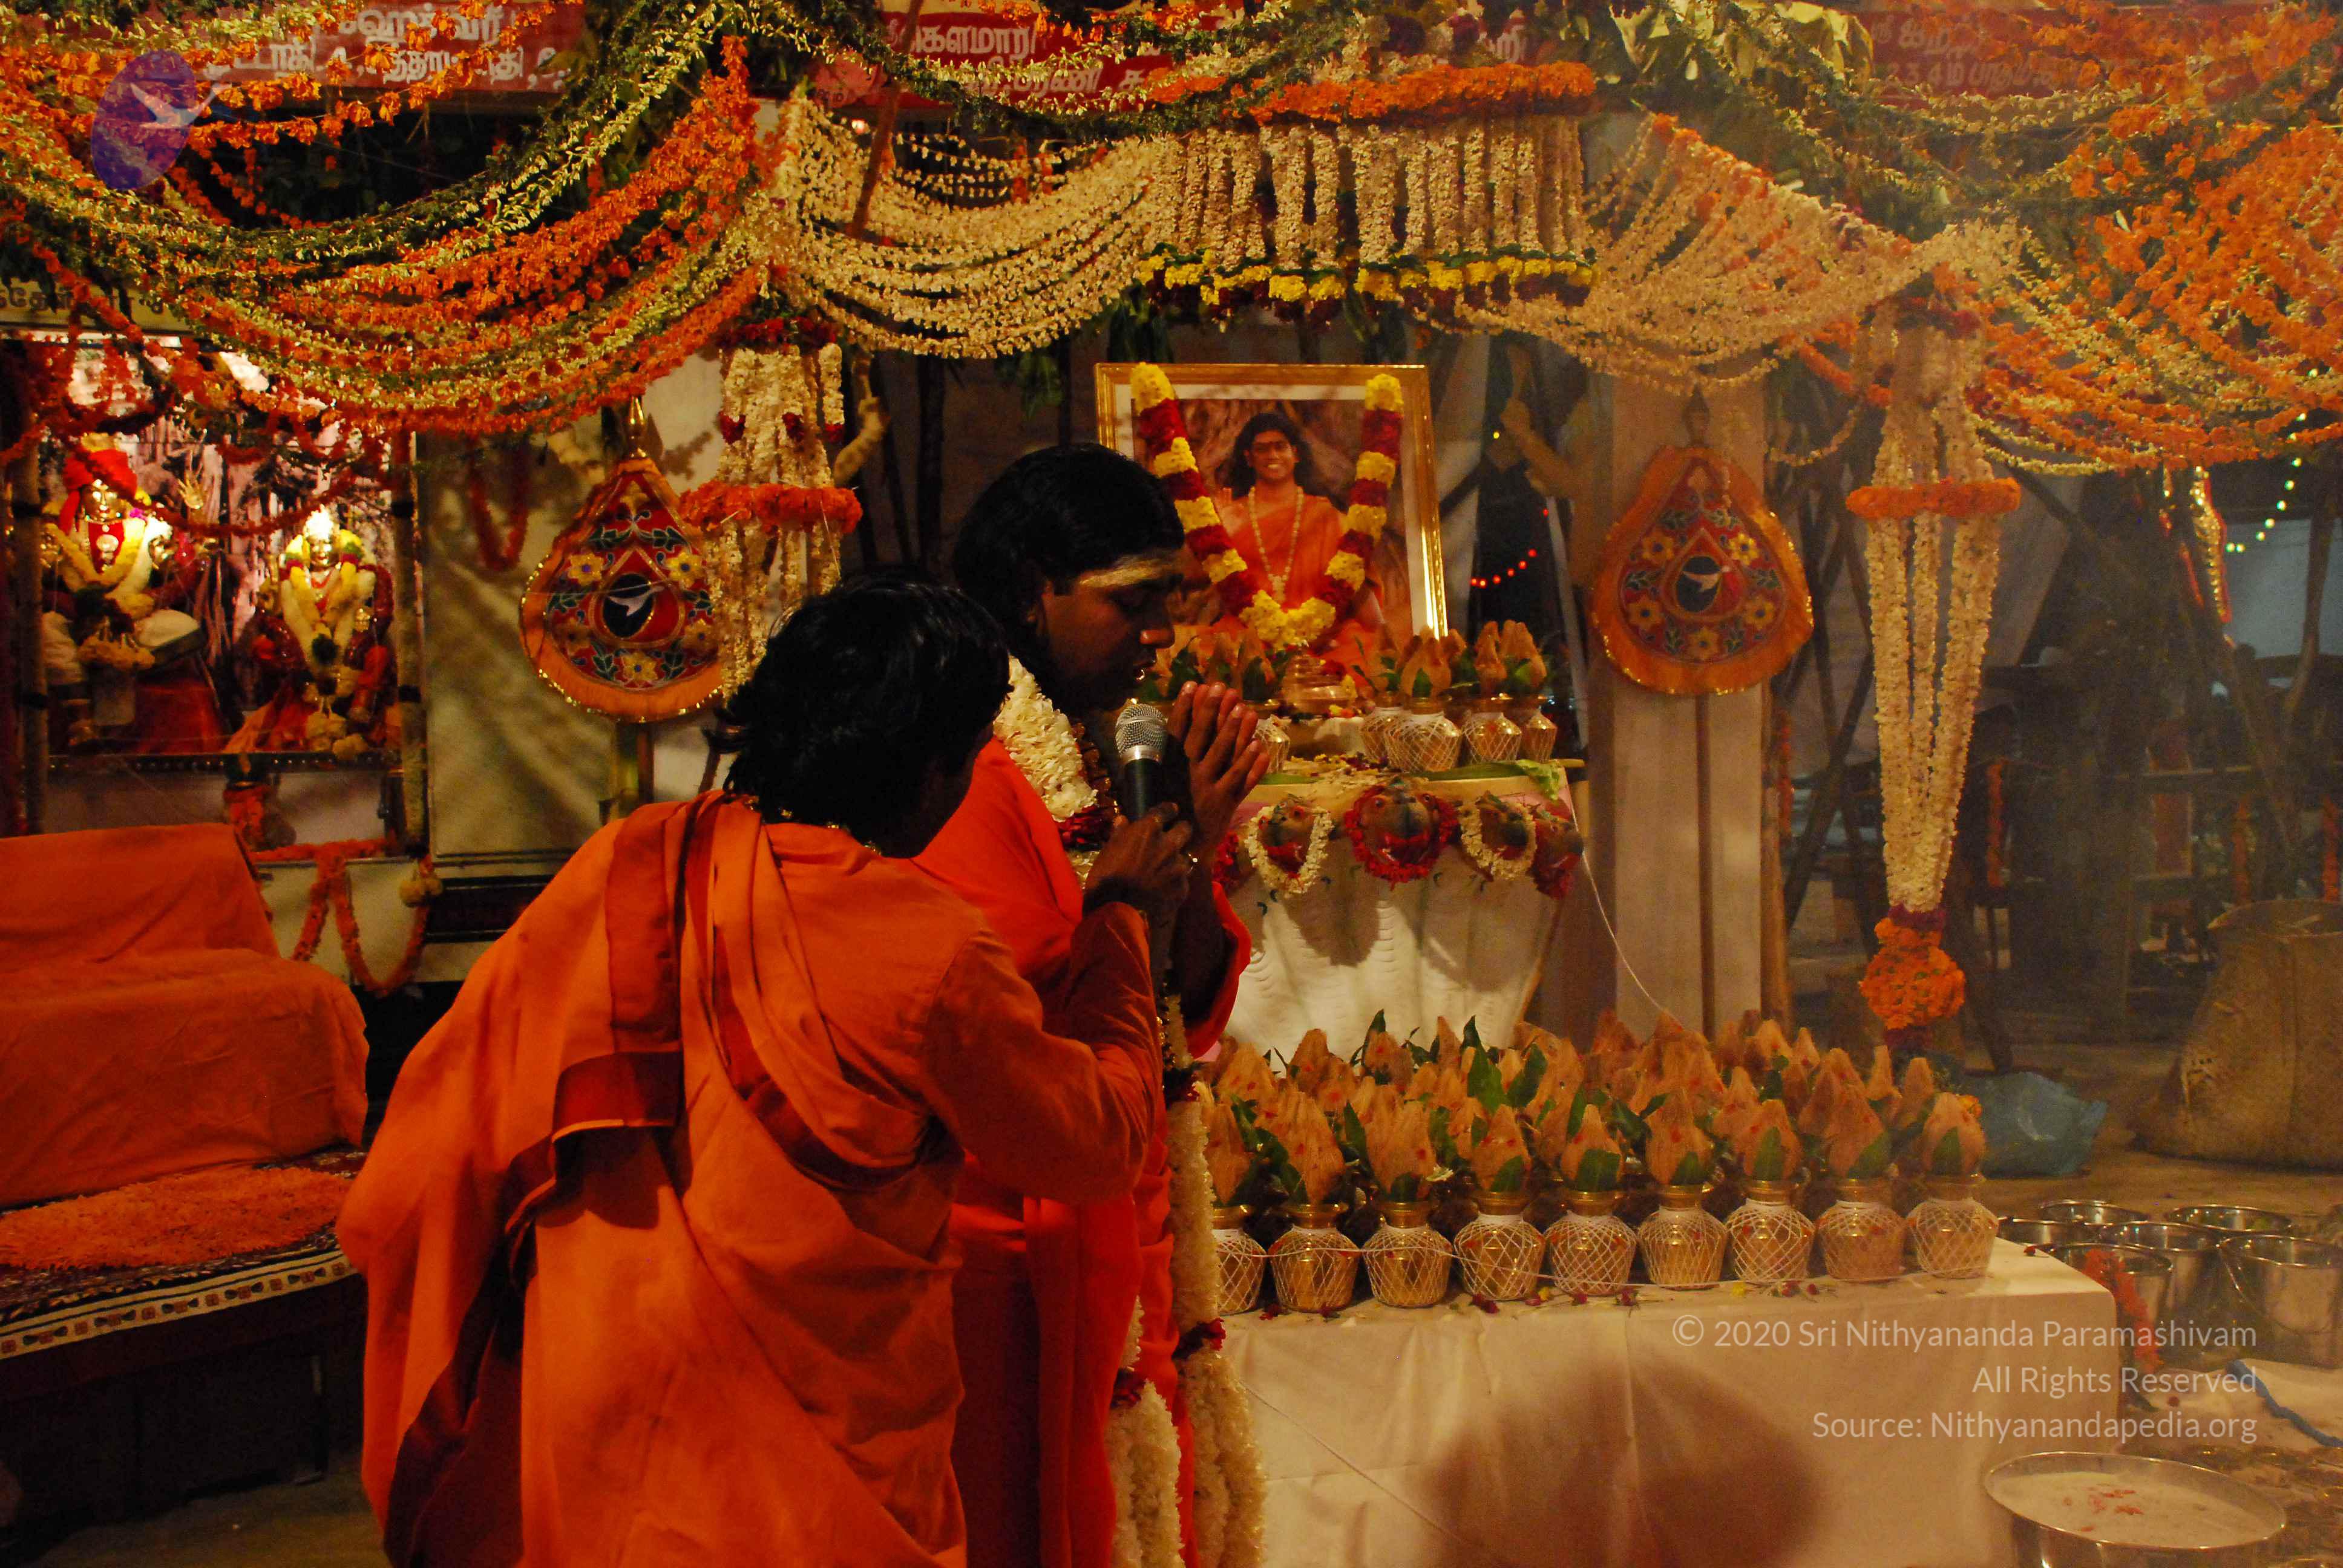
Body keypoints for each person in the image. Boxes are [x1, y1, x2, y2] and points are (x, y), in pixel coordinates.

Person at [339, 575, 1194, 1568]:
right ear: (934, 771)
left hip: (606, 1431)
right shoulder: (927, 947)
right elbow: (1092, 1142)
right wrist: (1121, 920)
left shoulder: (625, 865)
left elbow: (433, 1144)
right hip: (813, 1482)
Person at [918, 443, 1269, 1568]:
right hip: (1007, 1247)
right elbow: (1026, 1024)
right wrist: (1122, 904)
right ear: (1035, 587)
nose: (1160, 633)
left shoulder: (1092, 747)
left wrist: (1191, 847)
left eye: (1171, 601)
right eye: (1134, 600)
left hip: (1120, 1216)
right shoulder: (961, 767)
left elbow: (1178, 1010)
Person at [1196, 409, 1384, 679]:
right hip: (1250, 638)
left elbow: (1352, 580)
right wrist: (1225, 534)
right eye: (1262, 449)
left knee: (1364, 655)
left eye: (1280, 447)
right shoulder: (1232, 514)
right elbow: (1203, 580)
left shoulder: (1327, 516)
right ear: (1249, 458)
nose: (1272, 455)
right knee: (1211, 658)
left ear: (1295, 454)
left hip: (1322, 641)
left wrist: (1379, 632)